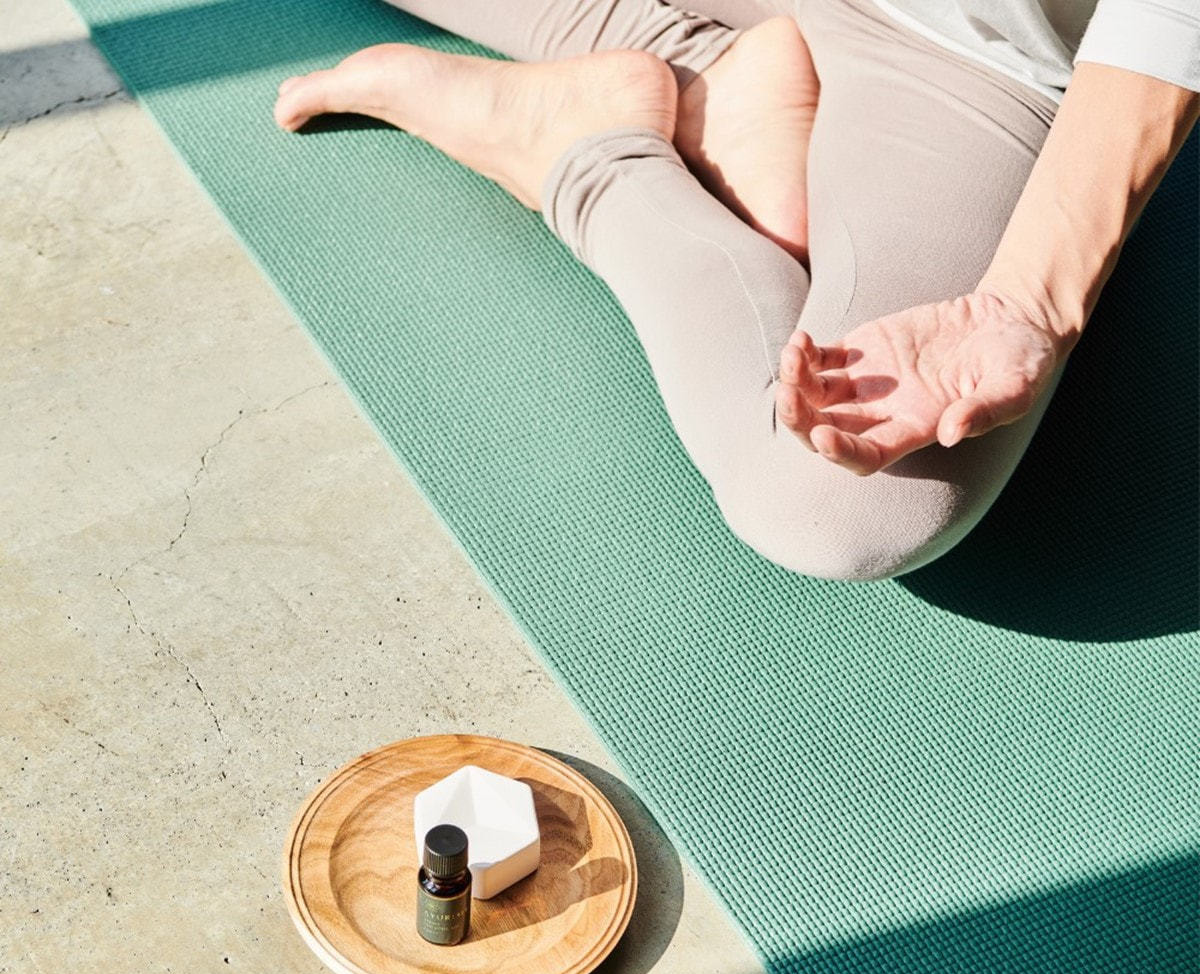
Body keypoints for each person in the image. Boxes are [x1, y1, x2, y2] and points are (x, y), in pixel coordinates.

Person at [272, 0, 1199, 581]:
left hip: (974, 57)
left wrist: (1026, 303)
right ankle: (700, 68)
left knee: (836, 504)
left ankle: (586, 156)